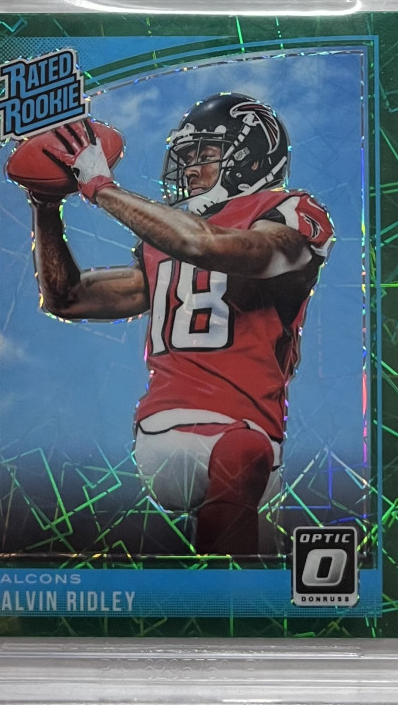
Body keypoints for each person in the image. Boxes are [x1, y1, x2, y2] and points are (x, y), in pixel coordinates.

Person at [28, 92, 333, 557]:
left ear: (252, 160)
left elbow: (214, 248)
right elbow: (67, 297)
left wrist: (102, 188)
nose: (190, 169)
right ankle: (218, 592)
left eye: (205, 154)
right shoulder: (169, 237)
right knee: (243, 456)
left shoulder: (288, 213)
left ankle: (226, 592)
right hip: (174, 430)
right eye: (186, 156)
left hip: (251, 427)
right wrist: (46, 206)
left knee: (265, 547)